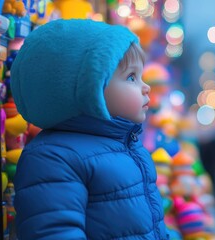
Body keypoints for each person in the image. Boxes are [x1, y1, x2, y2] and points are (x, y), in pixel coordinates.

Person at [10, 19, 168, 239]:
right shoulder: (53, 157)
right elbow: (54, 231)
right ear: (88, 89)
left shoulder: (128, 146)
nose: (145, 87)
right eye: (131, 77)